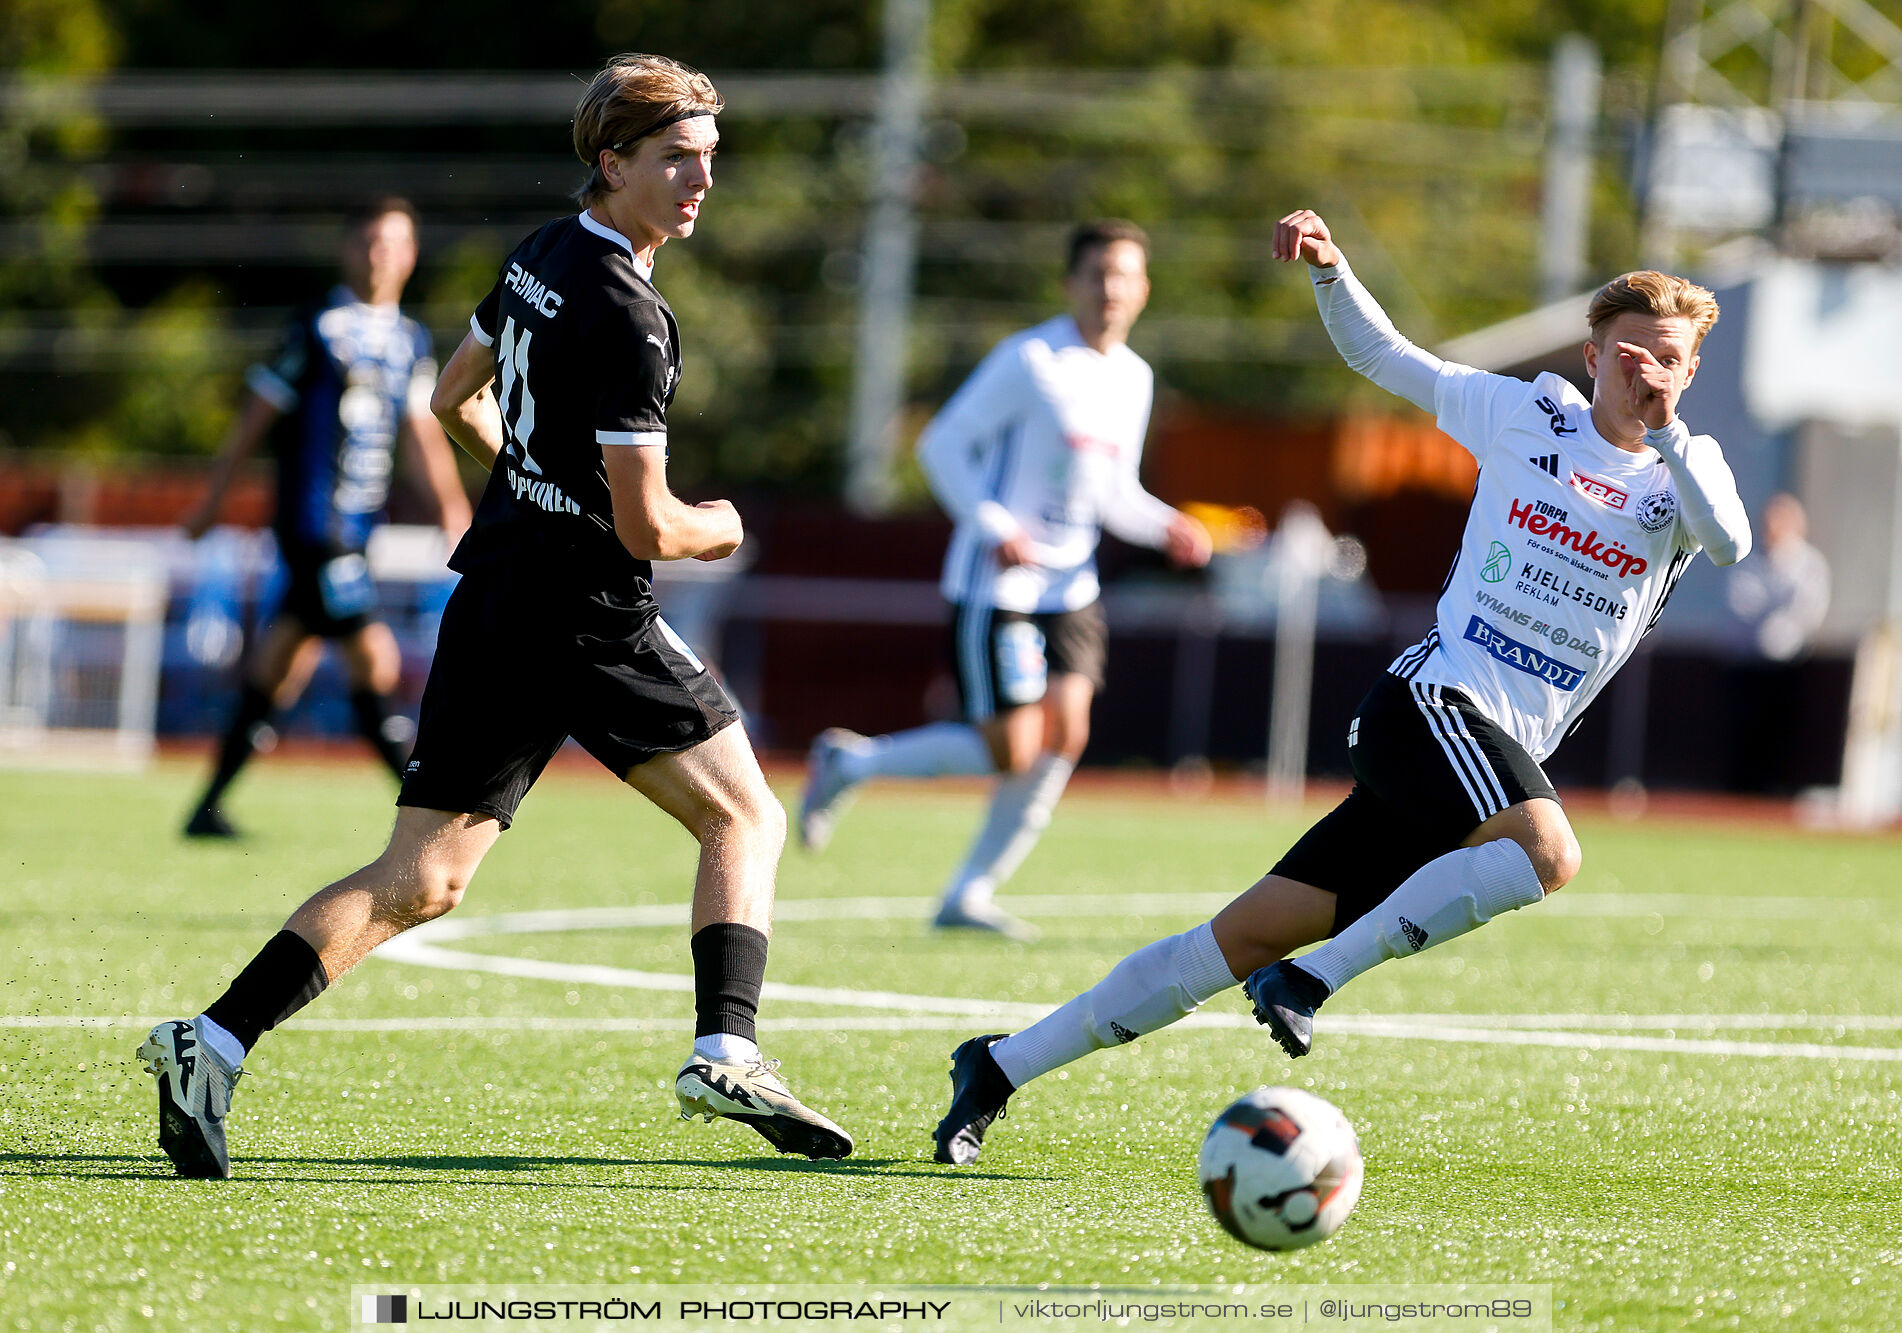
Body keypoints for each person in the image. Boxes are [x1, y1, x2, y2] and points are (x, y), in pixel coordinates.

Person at [138, 54, 853, 1178]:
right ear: (612, 162)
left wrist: (532, 483)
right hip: (587, 614)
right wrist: (720, 522)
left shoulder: (538, 255)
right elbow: (650, 529)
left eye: (709, 160)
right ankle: (728, 1047)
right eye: (676, 160)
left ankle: (212, 1038)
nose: (699, 182)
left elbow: (450, 397)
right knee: (746, 816)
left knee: (421, 877)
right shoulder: (632, 314)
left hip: (496, 600)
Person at [930, 207, 1754, 1165]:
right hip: (1430, 708)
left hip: (1476, 763)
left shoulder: (1688, 481)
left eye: (1666, 357)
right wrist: (1330, 272)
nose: (1643, 369)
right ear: (1591, 352)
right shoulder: (1525, 414)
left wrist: (1672, 438)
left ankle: (999, 1063)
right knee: (1549, 854)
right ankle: (1310, 982)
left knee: (1228, 942)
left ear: (1690, 371)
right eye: (1627, 351)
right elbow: (1386, 356)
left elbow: (1729, 542)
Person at [797, 220, 1213, 940]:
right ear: (1070, 284)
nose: (1111, 289)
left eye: (1125, 276)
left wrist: (1166, 525)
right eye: (1097, 274)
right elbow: (941, 445)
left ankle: (969, 892)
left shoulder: (1134, 378)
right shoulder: (1030, 360)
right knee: (1011, 749)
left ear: (1143, 289)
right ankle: (850, 762)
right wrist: (995, 525)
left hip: (1072, 591)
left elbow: (1114, 491)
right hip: (1001, 590)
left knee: (1066, 735)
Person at [182, 196, 473, 838]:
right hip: (314, 528)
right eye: (368, 243)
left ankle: (207, 807)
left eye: (393, 244)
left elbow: (422, 433)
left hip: (357, 531)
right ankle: (428, 811)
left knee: (283, 660)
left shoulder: (408, 338)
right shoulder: (316, 326)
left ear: (411, 256)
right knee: (374, 657)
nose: (380, 256)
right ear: (348, 250)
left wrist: (451, 509)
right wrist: (209, 504)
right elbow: (253, 419)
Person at [1724, 492, 1830, 791]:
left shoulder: (1809, 564)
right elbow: (1739, 607)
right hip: (1746, 669)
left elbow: (1805, 613)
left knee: (1783, 739)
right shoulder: (1748, 560)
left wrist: (1775, 633)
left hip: (1790, 669)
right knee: (1743, 738)